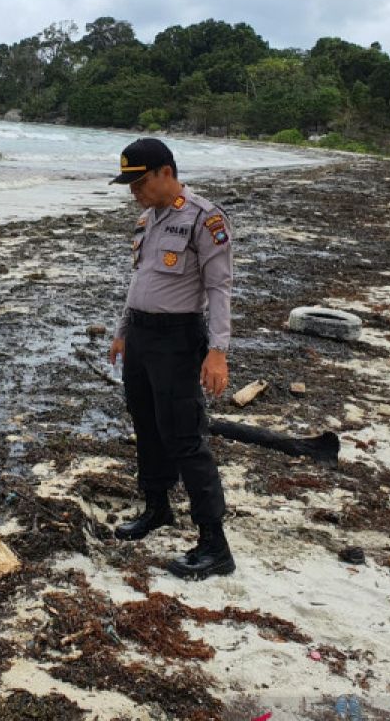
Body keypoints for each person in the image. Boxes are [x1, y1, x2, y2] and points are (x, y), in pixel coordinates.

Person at [106, 137, 235, 580]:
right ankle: (156, 507)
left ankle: (215, 544)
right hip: (141, 337)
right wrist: (123, 331)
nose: (132, 191)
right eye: (129, 184)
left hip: (178, 339)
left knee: (185, 436)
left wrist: (217, 351)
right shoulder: (148, 218)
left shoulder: (205, 218)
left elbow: (219, 288)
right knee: (147, 425)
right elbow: (139, 279)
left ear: (165, 172)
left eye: (138, 182)